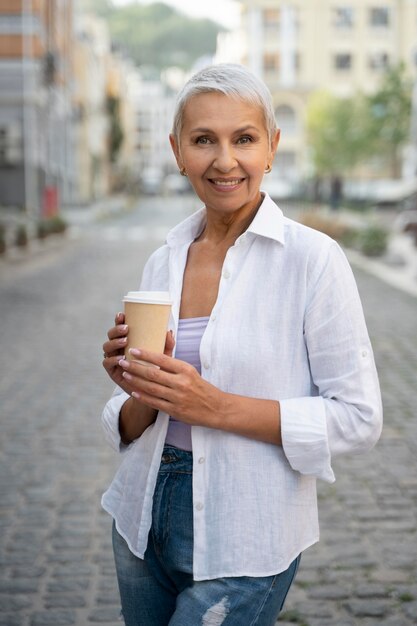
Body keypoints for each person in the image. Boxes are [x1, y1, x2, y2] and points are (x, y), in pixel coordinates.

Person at [101, 64, 382, 626]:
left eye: (244, 139)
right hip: (140, 519)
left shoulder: (313, 260)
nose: (224, 160)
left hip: (248, 531)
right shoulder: (164, 258)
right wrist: (140, 389)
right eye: (203, 139)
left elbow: (358, 418)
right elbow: (134, 422)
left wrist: (213, 406)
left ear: (272, 147)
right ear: (178, 150)